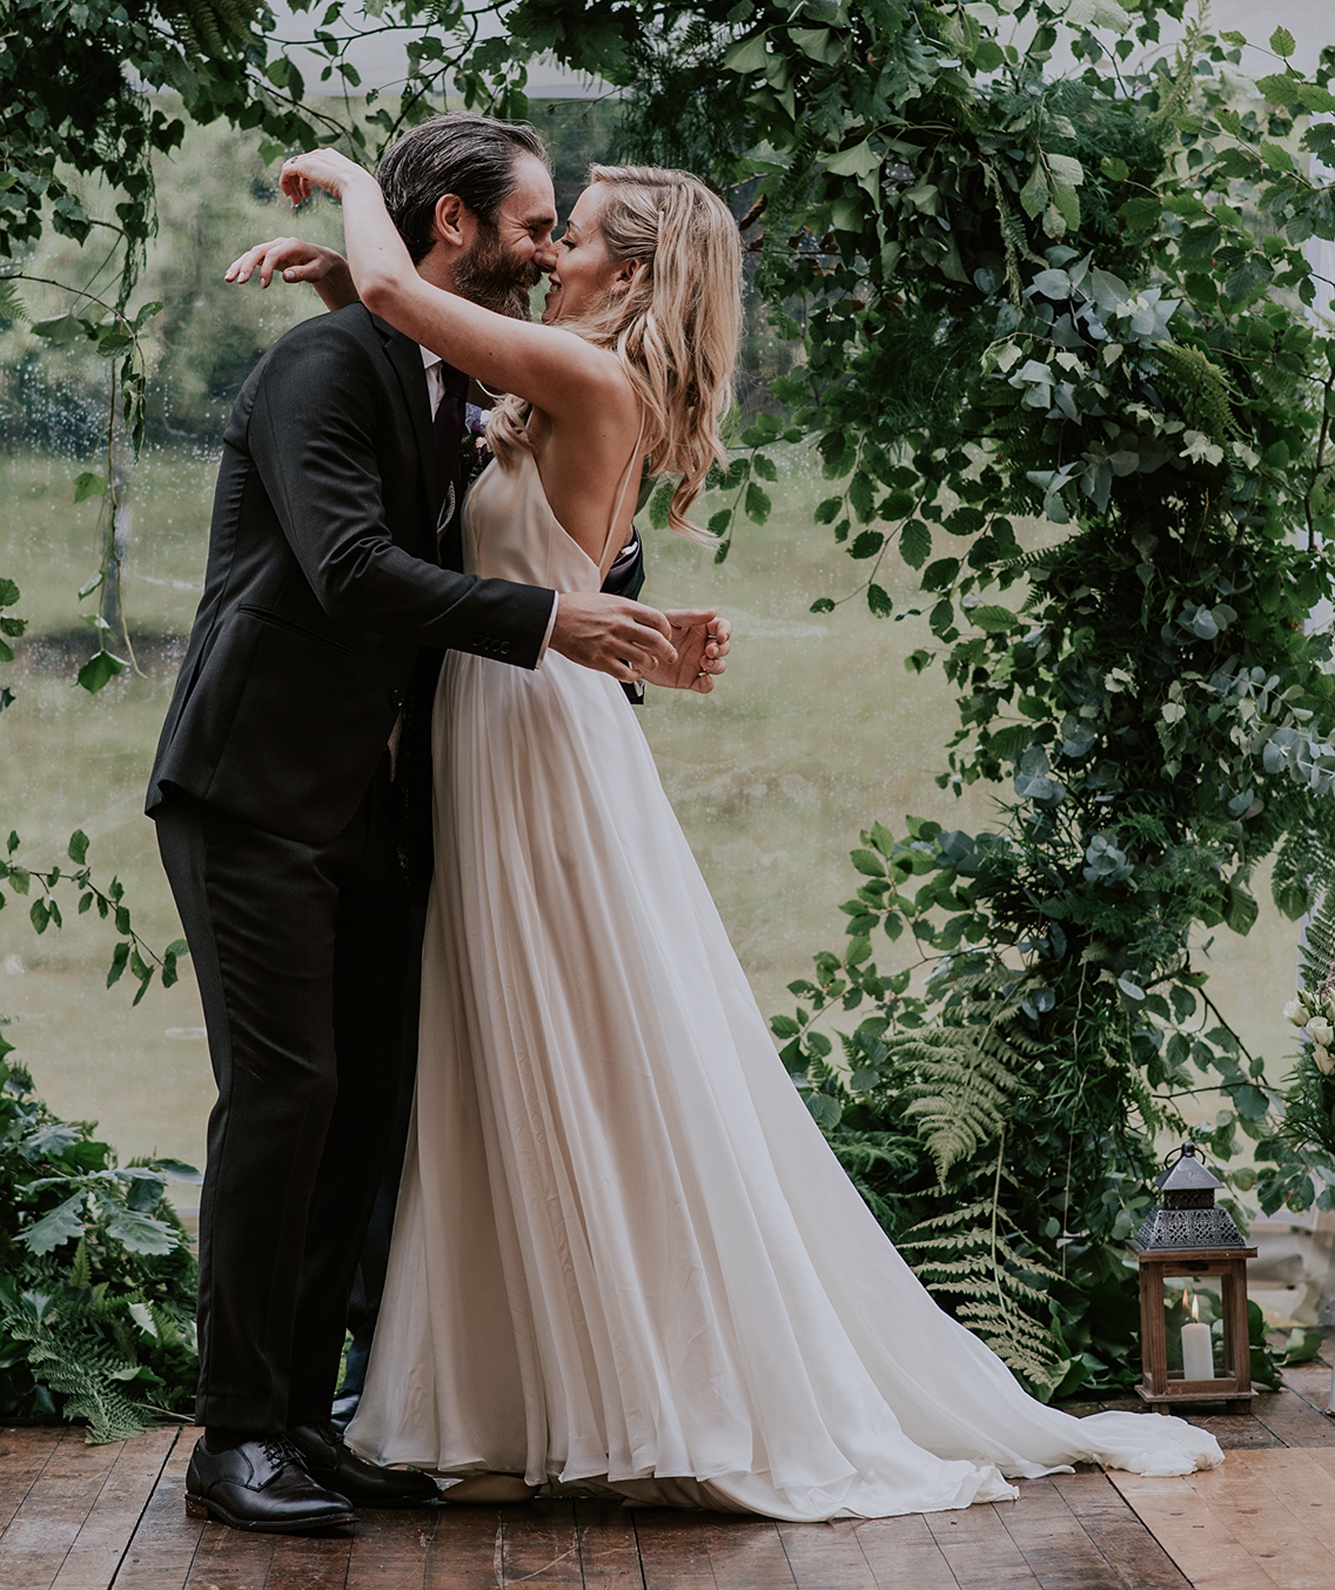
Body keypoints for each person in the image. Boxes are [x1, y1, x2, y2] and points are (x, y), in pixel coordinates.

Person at [273, 145, 1224, 1522]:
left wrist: (352, 185)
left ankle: (654, 1393)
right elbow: (415, 363)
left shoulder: (592, 382)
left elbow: (391, 284)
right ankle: (525, 1394)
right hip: (512, 729)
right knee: (516, 1056)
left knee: (586, 1053)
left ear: (638, 270)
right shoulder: (566, 377)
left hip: (535, 748)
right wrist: (344, 298)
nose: (550, 256)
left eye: (575, 237)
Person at [145, 116, 730, 1535]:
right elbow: (350, 571)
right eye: (536, 226)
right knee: (286, 1099)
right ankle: (236, 1437)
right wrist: (555, 616)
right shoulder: (322, 365)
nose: (548, 255)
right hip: (259, 792)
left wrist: (613, 607)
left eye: (565, 234)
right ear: (454, 225)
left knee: (364, 1113)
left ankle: (304, 1418)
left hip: (391, 807)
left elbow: (517, 492)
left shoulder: (434, 369)